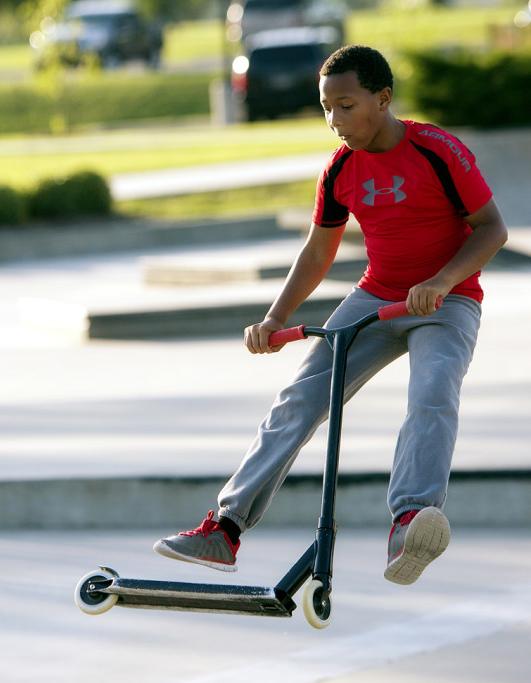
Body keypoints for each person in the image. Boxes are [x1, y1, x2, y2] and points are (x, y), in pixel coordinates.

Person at [153, 45, 508, 585]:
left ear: (382, 98)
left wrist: (440, 282)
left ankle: (410, 521)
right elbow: (318, 252)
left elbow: (492, 229)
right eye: (326, 108)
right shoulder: (341, 170)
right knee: (299, 398)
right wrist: (275, 319)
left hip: (447, 301)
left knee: (433, 393)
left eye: (346, 105)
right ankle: (223, 530)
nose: (335, 121)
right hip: (375, 298)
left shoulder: (437, 150)